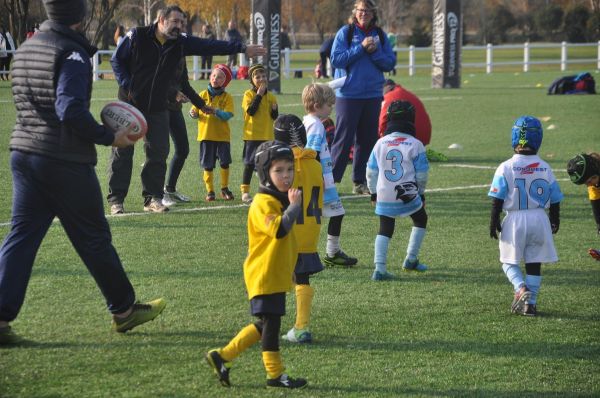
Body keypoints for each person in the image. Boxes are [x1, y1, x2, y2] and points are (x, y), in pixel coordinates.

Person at [0, 0, 166, 346]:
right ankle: (123, 310)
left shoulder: (28, 48)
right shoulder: (71, 54)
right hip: (62, 161)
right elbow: (69, 109)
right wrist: (110, 137)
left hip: (24, 153)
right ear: (81, 16)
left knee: (22, 238)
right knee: (93, 238)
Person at [108, 5, 265, 214]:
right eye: (175, 22)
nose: (179, 27)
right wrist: (128, 86)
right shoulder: (137, 35)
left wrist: (242, 48)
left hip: (157, 105)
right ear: (161, 20)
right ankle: (116, 200)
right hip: (129, 102)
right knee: (122, 151)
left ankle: (153, 198)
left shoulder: (180, 43)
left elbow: (209, 45)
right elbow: (116, 60)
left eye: (182, 23)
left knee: (158, 152)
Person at [205, 141, 307, 390]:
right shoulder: (263, 202)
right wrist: (294, 207)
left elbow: (284, 244)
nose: (286, 176)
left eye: (289, 170)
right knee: (271, 326)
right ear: (265, 174)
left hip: (273, 274)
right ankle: (275, 374)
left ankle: (223, 356)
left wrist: (289, 269)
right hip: (263, 275)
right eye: (279, 170)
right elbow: (280, 230)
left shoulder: (276, 199)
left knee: (264, 325)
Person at [488, 116, 563, 317]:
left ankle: (520, 287)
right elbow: (555, 197)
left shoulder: (505, 166)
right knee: (534, 261)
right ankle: (531, 305)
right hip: (540, 219)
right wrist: (555, 218)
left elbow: (497, 197)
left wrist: (493, 219)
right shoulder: (545, 166)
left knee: (507, 261)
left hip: (515, 219)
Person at [329, 0, 396, 195]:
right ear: (355, 12)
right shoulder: (346, 33)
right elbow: (336, 59)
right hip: (348, 95)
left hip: (373, 95)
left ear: (373, 13)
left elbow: (389, 63)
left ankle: (360, 182)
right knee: (343, 140)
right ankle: (330, 182)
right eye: (360, 10)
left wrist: (374, 52)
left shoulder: (381, 36)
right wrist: (360, 48)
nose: (363, 13)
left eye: (367, 10)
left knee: (367, 141)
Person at [273, 114, 324, 344]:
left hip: (288, 230)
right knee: (301, 278)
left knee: (270, 277)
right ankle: (301, 326)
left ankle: (269, 324)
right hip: (310, 232)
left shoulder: (282, 166)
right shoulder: (315, 162)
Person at [366, 101, 430, 281]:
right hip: (407, 194)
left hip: (384, 193)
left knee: (385, 228)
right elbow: (422, 174)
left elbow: (371, 171)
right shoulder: (416, 144)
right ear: (411, 119)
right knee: (420, 218)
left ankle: (379, 269)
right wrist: (421, 193)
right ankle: (410, 259)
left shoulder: (380, 143)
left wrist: (373, 193)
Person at [303, 83, 358, 267]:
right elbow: (312, 152)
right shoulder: (317, 126)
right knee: (329, 215)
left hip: (317, 179)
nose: (331, 109)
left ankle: (317, 252)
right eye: (329, 105)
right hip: (319, 181)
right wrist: (318, 178)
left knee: (313, 218)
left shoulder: (307, 122)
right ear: (318, 105)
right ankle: (329, 252)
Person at [189, 64, 235, 202]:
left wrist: (215, 111)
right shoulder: (202, 95)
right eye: (214, 75)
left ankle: (224, 188)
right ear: (210, 77)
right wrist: (192, 113)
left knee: (224, 163)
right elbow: (194, 112)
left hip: (222, 137)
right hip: (206, 135)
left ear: (224, 82)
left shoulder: (227, 97)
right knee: (207, 165)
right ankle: (210, 191)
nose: (216, 78)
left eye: (220, 77)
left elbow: (228, 115)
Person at [240, 64, 278, 204]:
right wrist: (259, 95)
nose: (261, 79)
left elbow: (274, 117)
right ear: (251, 80)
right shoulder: (248, 95)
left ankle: (267, 191)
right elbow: (251, 111)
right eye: (257, 77)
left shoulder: (272, 96)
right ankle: (245, 192)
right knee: (249, 164)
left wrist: (274, 110)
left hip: (267, 135)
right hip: (252, 136)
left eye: (263, 76)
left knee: (267, 164)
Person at [566, 153, 600, 261]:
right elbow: (596, 207)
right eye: (586, 183)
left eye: (589, 181)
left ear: (595, 174)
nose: (589, 185)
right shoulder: (593, 185)